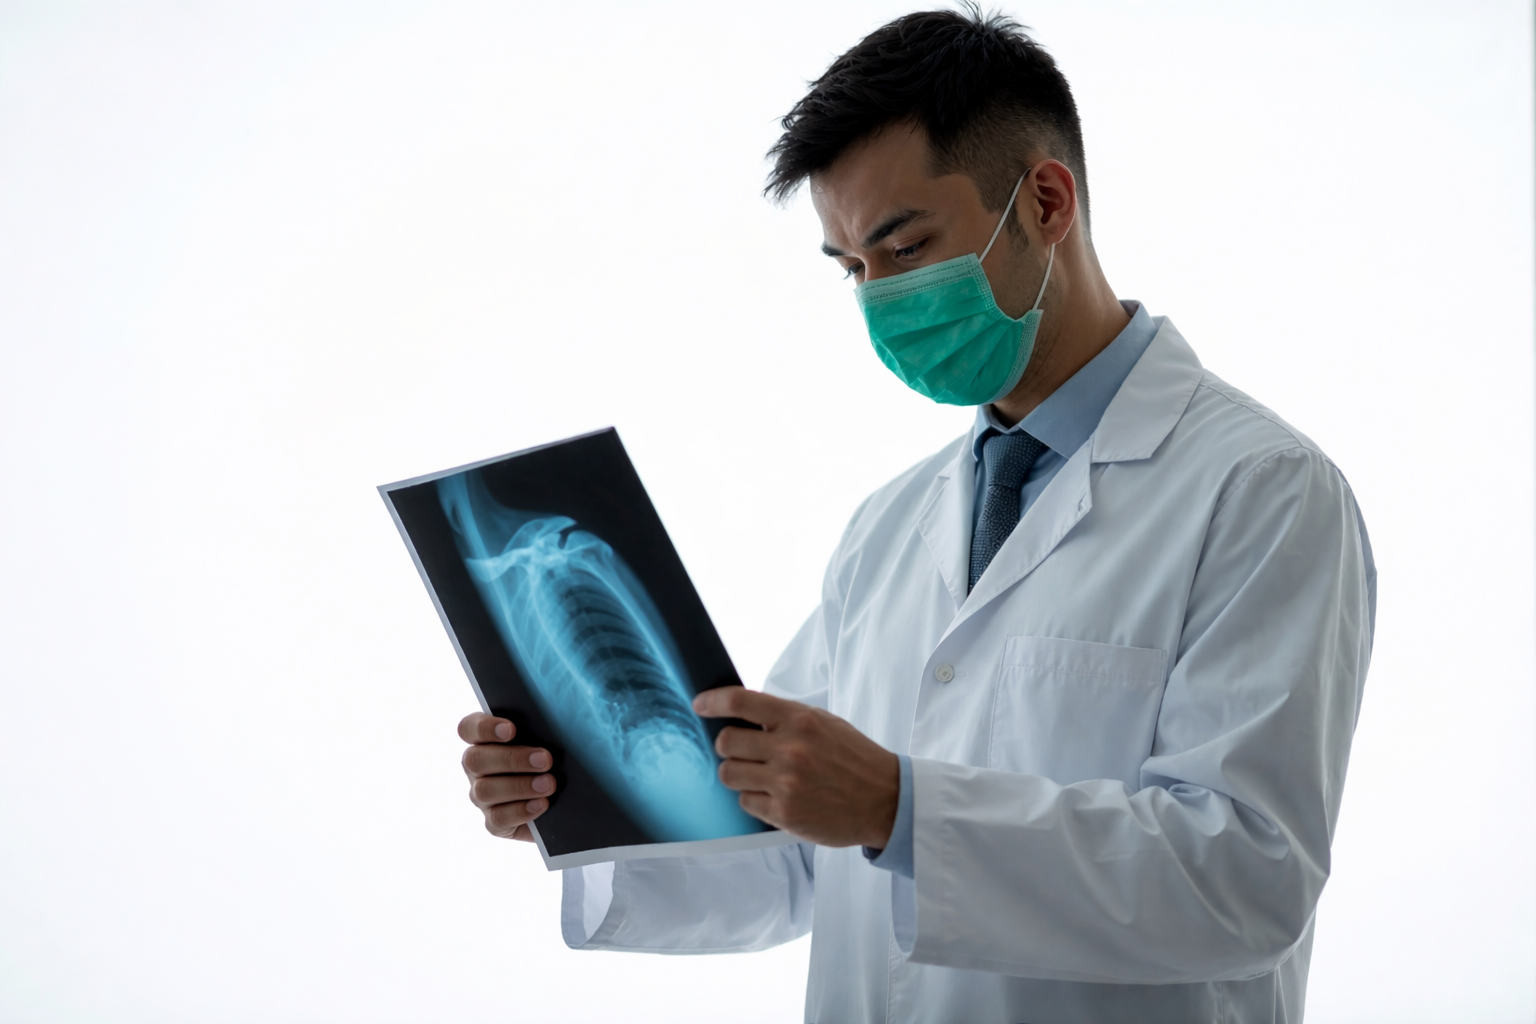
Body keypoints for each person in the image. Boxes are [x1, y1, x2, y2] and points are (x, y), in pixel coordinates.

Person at [457, 7, 1376, 1023]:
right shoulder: (889, 528)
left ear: (1045, 199)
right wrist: (578, 806)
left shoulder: (1259, 489)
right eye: (851, 268)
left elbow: (1244, 877)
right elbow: (797, 859)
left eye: (904, 248)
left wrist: (901, 809)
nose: (880, 299)